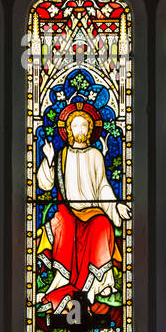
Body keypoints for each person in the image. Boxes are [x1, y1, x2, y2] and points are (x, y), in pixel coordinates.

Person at [37, 102, 129, 312]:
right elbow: (45, 185)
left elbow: (103, 186)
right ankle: (62, 281)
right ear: (69, 130)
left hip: (93, 211)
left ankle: (98, 285)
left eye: (84, 126)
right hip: (67, 212)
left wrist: (116, 207)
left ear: (89, 130)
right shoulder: (60, 155)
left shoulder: (95, 155)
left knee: (103, 224)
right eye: (75, 126)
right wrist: (49, 160)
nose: (80, 130)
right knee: (62, 225)